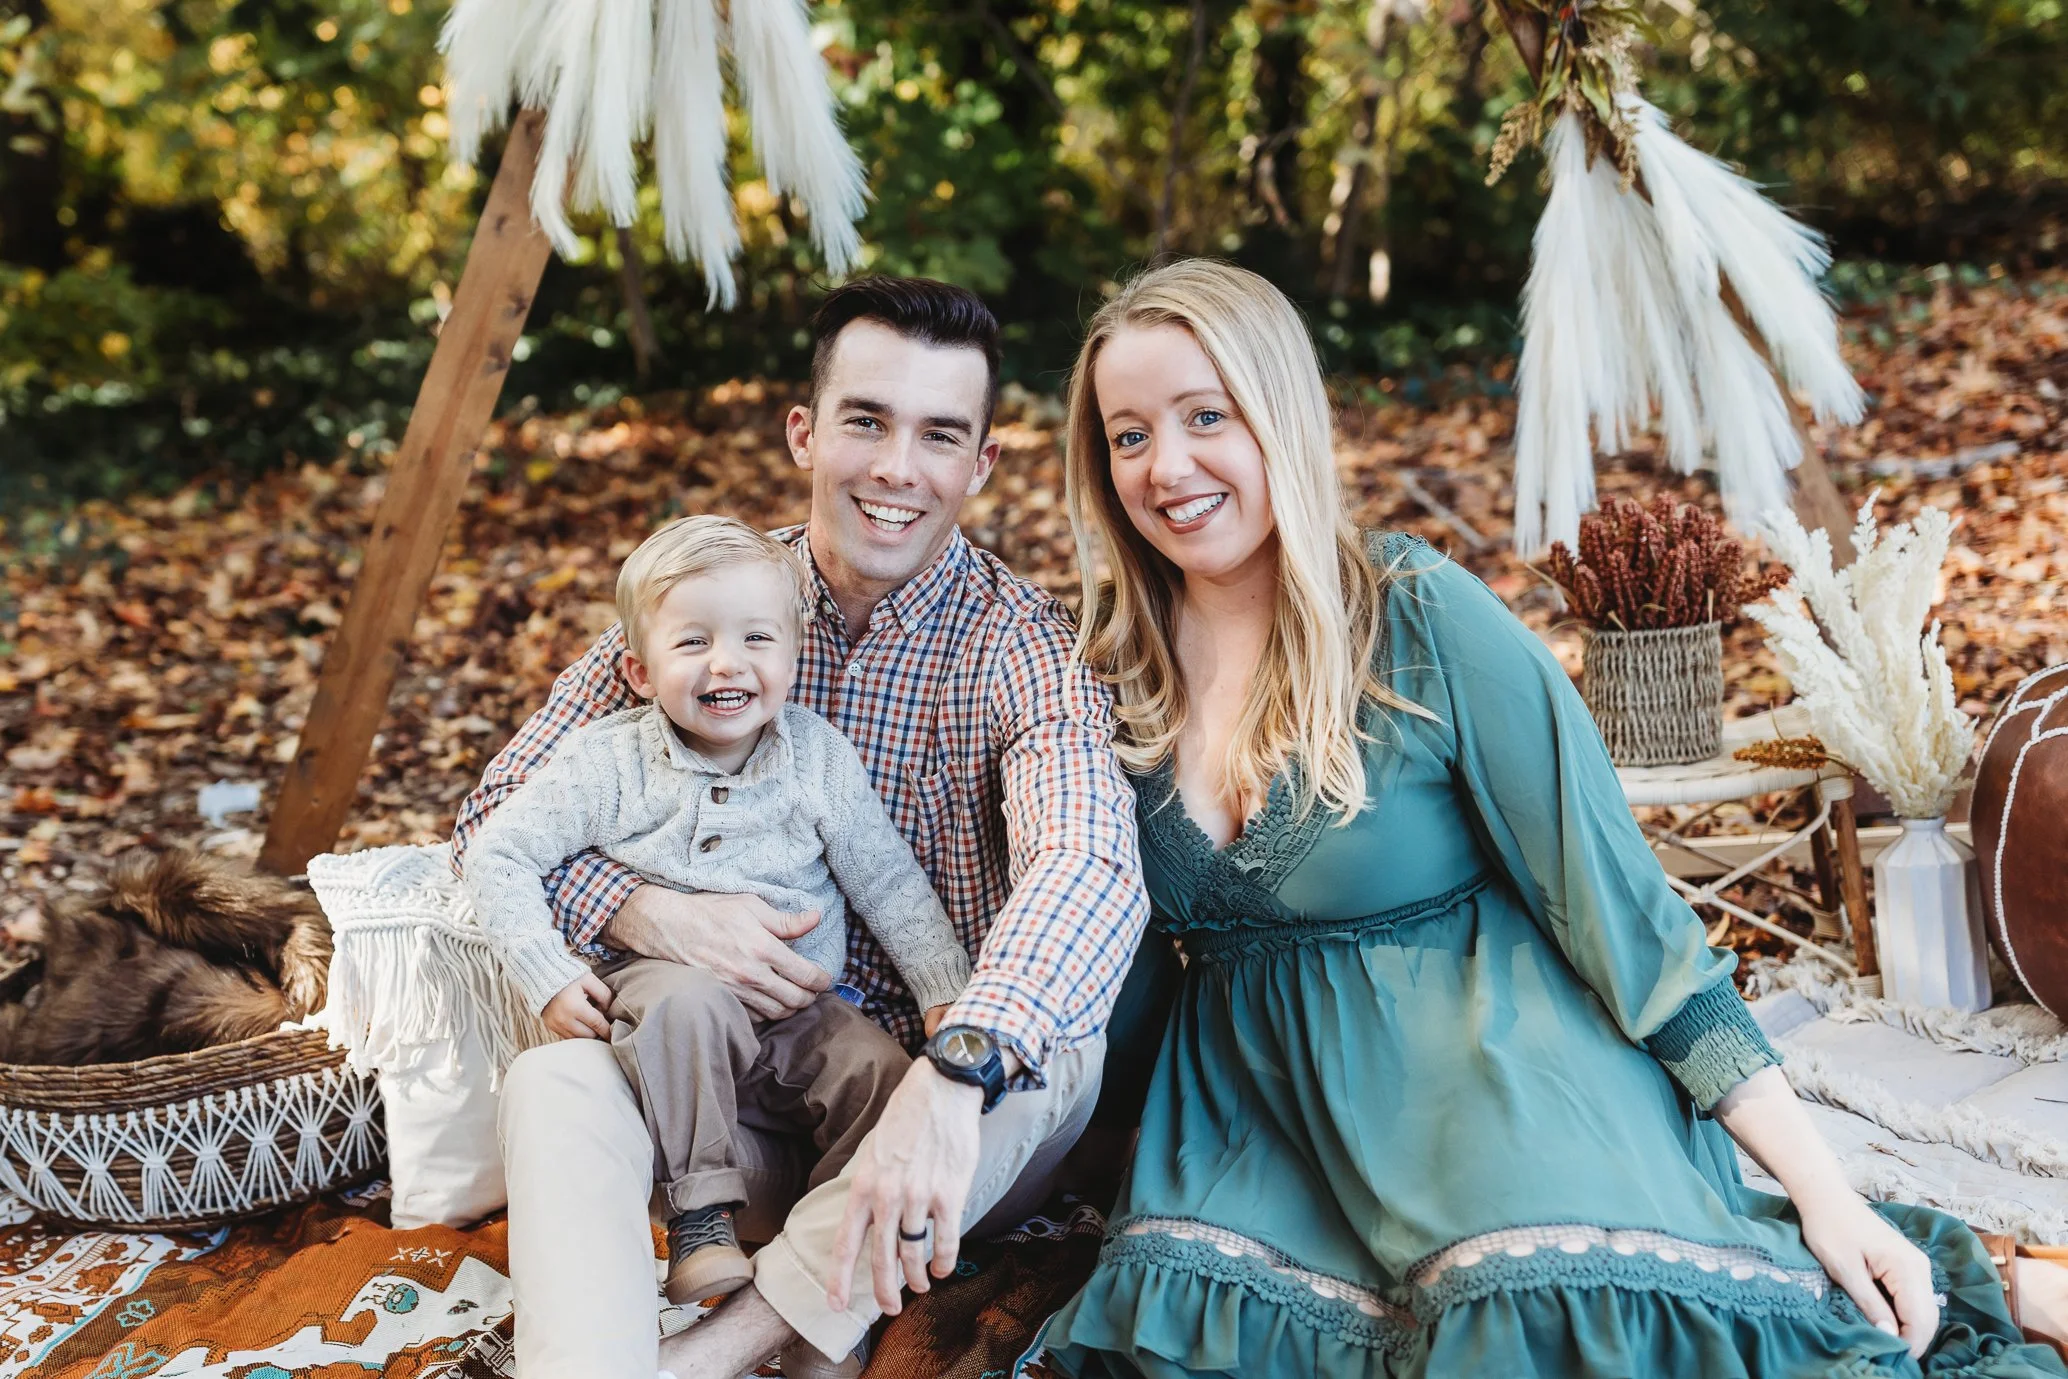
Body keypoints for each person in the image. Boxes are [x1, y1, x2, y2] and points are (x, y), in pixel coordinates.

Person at [1036, 257, 2068, 1378]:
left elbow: (1622, 914)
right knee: (1189, 1337)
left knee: (1535, 1312)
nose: (1167, 466)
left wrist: (1826, 1191)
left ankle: (1957, 1268)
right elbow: (1106, 961)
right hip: (1253, 1124)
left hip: (1492, 1069)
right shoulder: (1107, 679)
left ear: (1277, 414)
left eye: (1204, 416)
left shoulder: (1416, 617)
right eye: (1127, 435)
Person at [450, 276, 1150, 1379]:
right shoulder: (710, 600)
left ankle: (721, 1349)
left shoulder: (1023, 647)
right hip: (712, 1113)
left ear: (981, 464)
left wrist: (955, 1067)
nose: (894, 467)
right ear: (804, 431)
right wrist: (654, 912)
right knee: (553, 1080)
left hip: (935, 1135)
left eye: (938, 435)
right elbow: (493, 812)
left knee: (1059, 1042)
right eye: (865, 420)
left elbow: (1089, 864)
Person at [461, 515, 971, 1307]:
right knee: (689, 1002)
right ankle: (702, 1224)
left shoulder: (817, 758)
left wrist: (943, 988)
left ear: (794, 657)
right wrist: (546, 973)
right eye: (692, 642)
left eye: (756, 640)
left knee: (881, 1072)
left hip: (801, 1009)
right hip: (666, 999)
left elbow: (890, 883)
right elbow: (497, 850)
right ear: (638, 670)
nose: (726, 664)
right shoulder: (610, 761)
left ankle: (832, 1264)